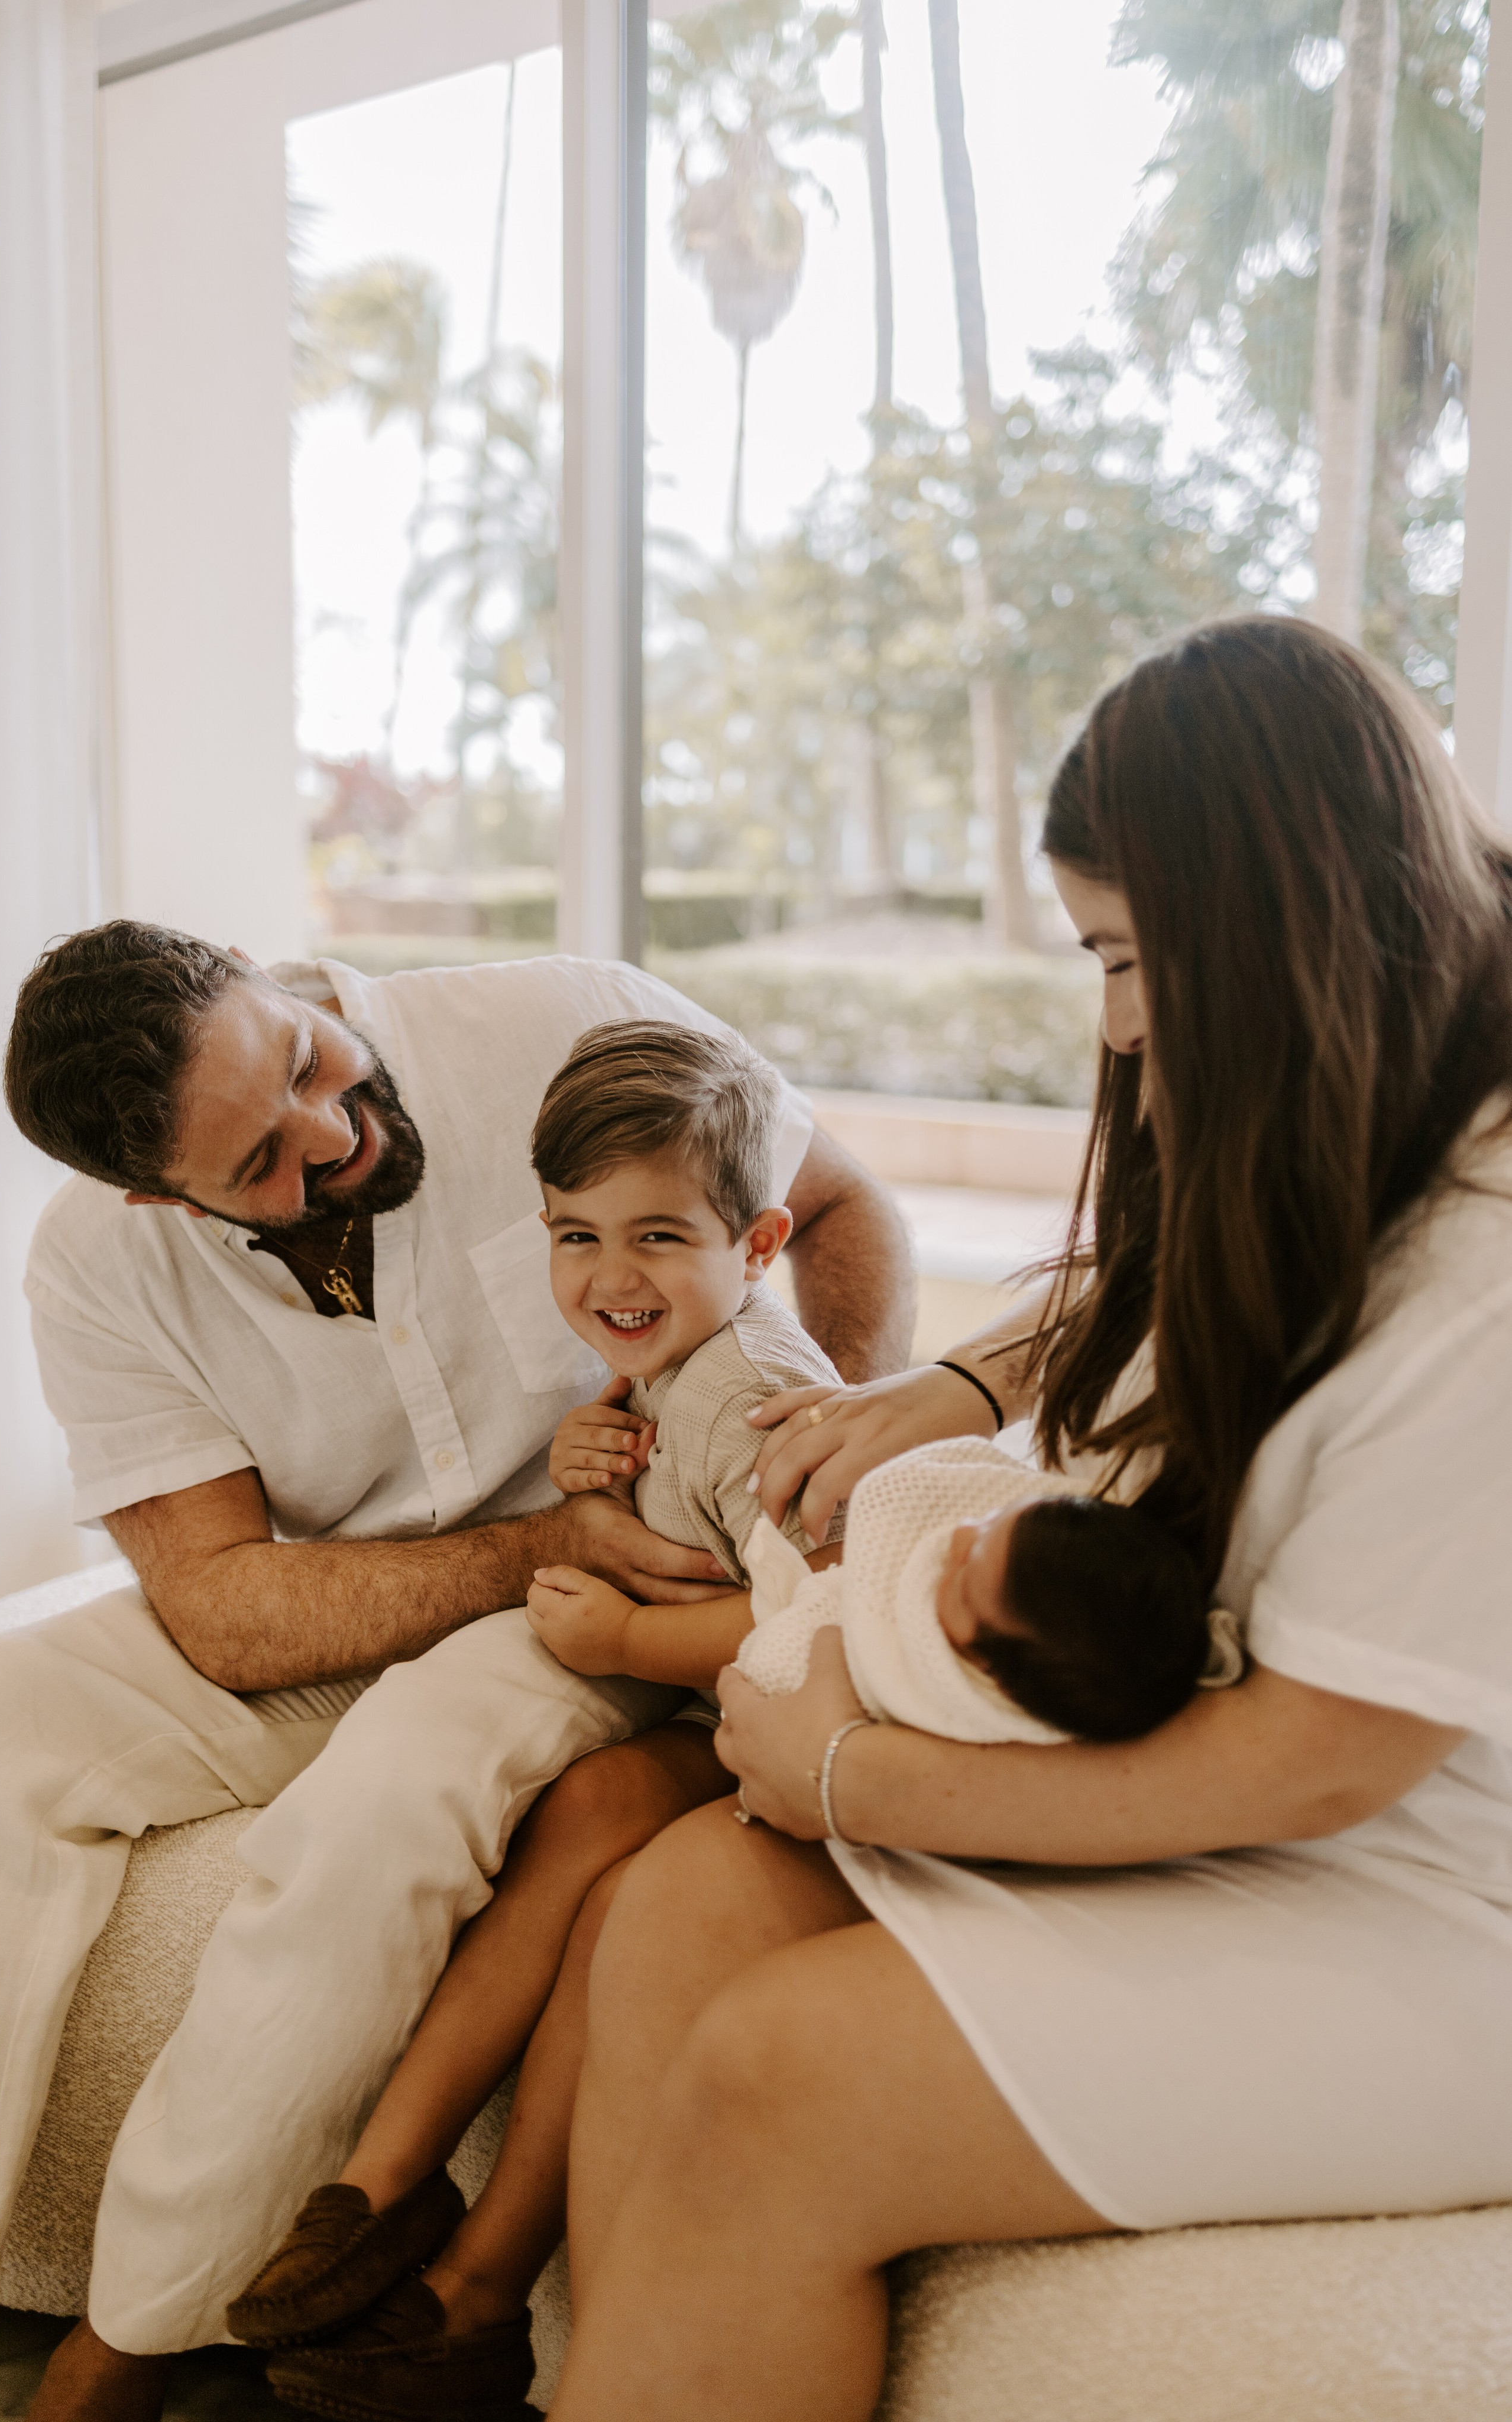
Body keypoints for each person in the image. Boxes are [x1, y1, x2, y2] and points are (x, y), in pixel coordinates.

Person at [545, 616, 1512, 2422]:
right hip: (1298, 1804)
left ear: (1276, 928)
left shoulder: (1491, 1256)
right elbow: (1146, 1270)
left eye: (1132, 957)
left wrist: (848, 1774)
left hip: (1445, 1901)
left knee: (786, 2076)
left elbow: (1309, 1767)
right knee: (683, 1906)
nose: (1118, 1023)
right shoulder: (1378, 1076)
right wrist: (950, 1386)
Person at [0, 932, 912, 2422]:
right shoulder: (98, 1262)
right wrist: (534, 1541)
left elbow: (835, 1204)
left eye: (304, 1061)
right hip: (348, 1597)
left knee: (381, 1810)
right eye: (260, 1161)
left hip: (611, 1580)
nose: (332, 1127)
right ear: (154, 1195)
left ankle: (125, 2344)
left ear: (263, 975)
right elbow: (226, 1615)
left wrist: (802, 1479)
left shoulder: (566, 1018)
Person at [226, 1018, 849, 2419]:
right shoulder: (689, 1352)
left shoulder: (759, 1394)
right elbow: (667, 1448)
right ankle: (377, 2195)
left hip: (800, 1714)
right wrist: (596, 1460)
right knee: (581, 1814)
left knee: (616, 1878)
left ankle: (423, 2230)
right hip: (721, 1709)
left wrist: (624, 1633)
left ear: (758, 1244)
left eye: (654, 1239)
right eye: (575, 1237)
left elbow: (819, 1620)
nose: (610, 1278)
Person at [737, 1436, 1225, 1746]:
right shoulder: (1040, 1557)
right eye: (989, 1523)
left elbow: (778, 1664)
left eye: (965, 1574)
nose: (957, 1538)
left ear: (990, 1666)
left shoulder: (943, 1708)